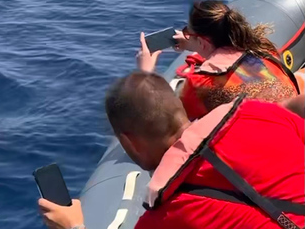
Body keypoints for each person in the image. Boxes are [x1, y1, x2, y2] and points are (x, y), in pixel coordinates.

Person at [38, 71, 305, 229]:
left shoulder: (166, 217)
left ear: (128, 142)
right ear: (180, 108)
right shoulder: (259, 113)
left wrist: (73, 225)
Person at [137, 0, 301, 120]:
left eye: (188, 32)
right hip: (297, 127)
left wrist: (145, 73)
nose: (185, 34)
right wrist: (194, 42)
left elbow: (167, 119)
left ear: (202, 41)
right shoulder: (263, 47)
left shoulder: (202, 83)